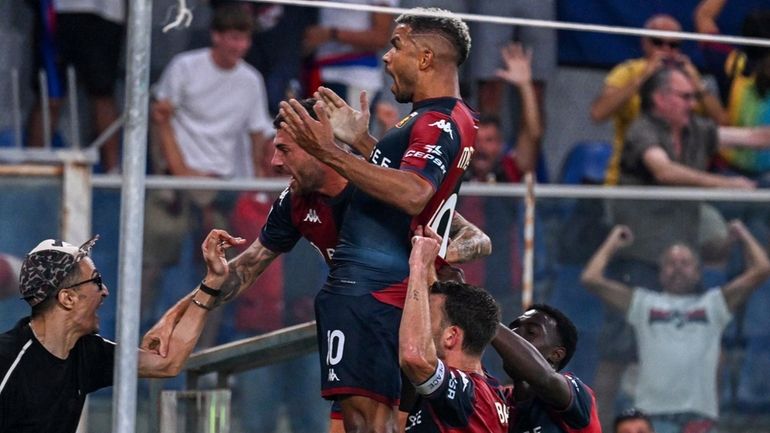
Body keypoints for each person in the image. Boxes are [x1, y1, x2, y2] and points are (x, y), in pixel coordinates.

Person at [142, 97, 490, 433]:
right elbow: (245, 268)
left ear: (317, 146)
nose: (276, 162)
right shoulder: (295, 201)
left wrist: (430, 258)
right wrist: (173, 317)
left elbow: (477, 239)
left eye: (285, 149)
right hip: (359, 325)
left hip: (414, 332)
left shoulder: (378, 185)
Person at [279, 7, 477, 432]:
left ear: (425, 58)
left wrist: (329, 151)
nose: (387, 57)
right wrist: (363, 142)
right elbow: (412, 182)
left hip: (368, 292)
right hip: (387, 291)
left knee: (367, 426)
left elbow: (413, 193)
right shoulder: (446, 118)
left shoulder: (436, 119)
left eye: (397, 45)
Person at [0, 229, 244, 433]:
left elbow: (166, 363)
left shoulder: (86, 351)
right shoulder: (7, 359)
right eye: (95, 281)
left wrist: (212, 282)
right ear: (68, 298)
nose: (105, 290)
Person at [144, 3, 273, 337]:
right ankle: (136, 337)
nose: (239, 46)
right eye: (233, 37)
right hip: (174, 183)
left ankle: (206, 350)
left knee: (218, 271)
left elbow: (259, 134)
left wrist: (259, 187)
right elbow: (161, 118)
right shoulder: (185, 67)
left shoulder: (251, 80)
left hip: (220, 188)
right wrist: (181, 170)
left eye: (244, 39)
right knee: (151, 264)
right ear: (216, 35)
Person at [580, 221, 770, 433]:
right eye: (671, 263)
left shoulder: (714, 304)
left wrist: (743, 234)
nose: (678, 268)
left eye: (685, 262)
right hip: (650, 418)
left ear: (698, 272)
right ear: (661, 273)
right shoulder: (643, 303)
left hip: (700, 421)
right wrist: (613, 240)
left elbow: (761, 269)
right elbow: (591, 278)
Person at [590, 14, 727, 186]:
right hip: (629, 180)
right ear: (644, 43)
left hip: (679, 180)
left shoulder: (687, 79)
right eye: (658, 42)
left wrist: (698, 85)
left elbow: (722, 121)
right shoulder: (628, 72)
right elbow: (598, 113)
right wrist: (642, 78)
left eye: (673, 45)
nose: (666, 49)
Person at [399, 227, 509, 432]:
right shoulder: (487, 388)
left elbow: (414, 356)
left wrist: (418, 266)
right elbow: (438, 307)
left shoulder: (467, 393)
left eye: (426, 317)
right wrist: (431, 265)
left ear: (451, 336)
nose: (418, 321)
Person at [26, 0, 124, 172]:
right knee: (49, 94)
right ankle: (33, 169)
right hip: (57, 10)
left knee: (102, 91)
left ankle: (113, 172)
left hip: (106, 13)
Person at [492, 304, 601, 433]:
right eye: (512, 329)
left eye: (531, 332)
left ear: (556, 355)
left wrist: (486, 320)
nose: (514, 334)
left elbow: (546, 378)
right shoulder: (497, 401)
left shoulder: (578, 395)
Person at [303, 0, 397, 106]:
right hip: (318, 73)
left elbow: (381, 37)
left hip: (354, 79)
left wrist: (332, 34)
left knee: (347, 122)